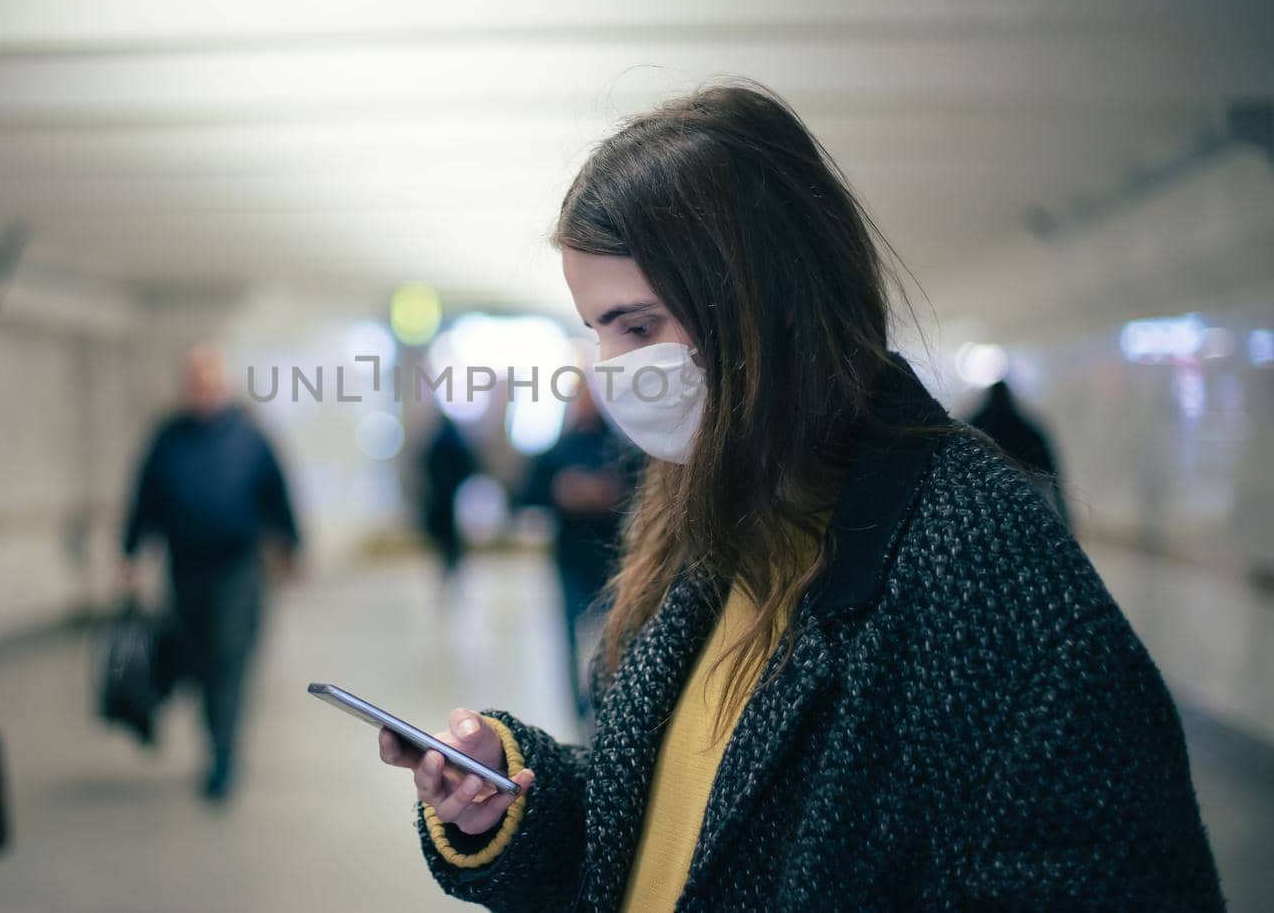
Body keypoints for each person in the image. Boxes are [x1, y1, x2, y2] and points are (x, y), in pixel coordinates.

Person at [378, 84, 1222, 910]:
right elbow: (669, 823)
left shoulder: (981, 562)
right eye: (599, 331)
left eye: (637, 327)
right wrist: (513, 797)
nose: (613, 369)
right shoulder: (711, 518)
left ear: (760, 304)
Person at [121, 343, 300, 802]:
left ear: (222, 383)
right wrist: (129, 552)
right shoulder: (168, 437)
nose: (202, 389)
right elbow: (144, 496)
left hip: (237, 567)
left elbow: (277, 491)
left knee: (227, 658)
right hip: (185, 566)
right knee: (198, 661)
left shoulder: (248, 435)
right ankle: (210, 740)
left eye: (209, 380)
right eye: (194, 381)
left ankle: (223, 755)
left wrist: (291, 545)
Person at [515, 384, 638, 717]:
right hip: (570, 561)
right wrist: (561, 493)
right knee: (571, 639)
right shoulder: (556, 452)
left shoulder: (621, 448)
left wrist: (611, 492)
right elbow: (526, 496)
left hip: (613, 562)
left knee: (614, 639)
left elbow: (643, 491)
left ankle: (608, 704)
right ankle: (578, 709)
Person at [967, 378, 1071, 526]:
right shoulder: (1028, 430)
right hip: (1026, 502)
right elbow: (1053, 478)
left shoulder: (974, 427)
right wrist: (1065, 518)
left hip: (983, 503)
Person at [419, 410, 478, 590]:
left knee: (446, 542)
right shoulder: (458, 443)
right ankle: (452, 568)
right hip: (452, 500)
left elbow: (426, 465)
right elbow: (470, 465)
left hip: (442, 500)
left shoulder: (436, 443)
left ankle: (448, 569)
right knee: (451, 541)